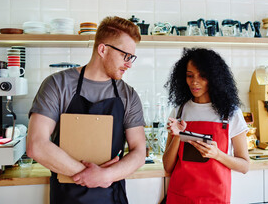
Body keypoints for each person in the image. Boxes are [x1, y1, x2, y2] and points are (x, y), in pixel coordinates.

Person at [27, 16, 146, 204]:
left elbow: (139, 152)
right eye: (126, 56)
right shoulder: (57, 85)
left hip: (111, 196)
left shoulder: (128, 95)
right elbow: (36, 145)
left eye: (132, 57)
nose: (129, 63)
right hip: (67, 196)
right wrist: (91, 175)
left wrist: (105, 176)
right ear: (103, 49)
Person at [162, 48, 250, 204]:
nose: (194, 82)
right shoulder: (180, 111)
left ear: (214, 78)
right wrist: (177, 135)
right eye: (190, 76)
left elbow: (244, 166)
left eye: (202, 76)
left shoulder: (230, 113)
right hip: (180, 195)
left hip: (214, 197)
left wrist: (217, 154)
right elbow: (168, 167)